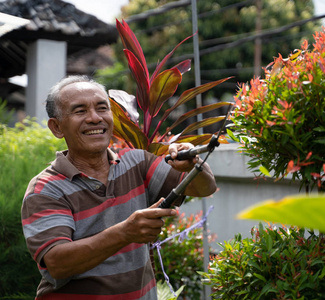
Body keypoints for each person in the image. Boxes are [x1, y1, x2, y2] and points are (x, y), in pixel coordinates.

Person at [21, 75, 217, 299]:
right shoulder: (46, 189)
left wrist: (193, 163)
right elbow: (57, 263)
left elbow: (204, 188)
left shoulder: (137, 163)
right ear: (57, 127)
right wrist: (125, 232)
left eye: (102, 108)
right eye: (80, 111)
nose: (95, 118)